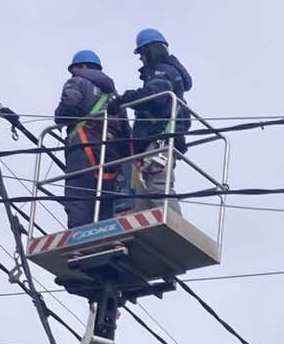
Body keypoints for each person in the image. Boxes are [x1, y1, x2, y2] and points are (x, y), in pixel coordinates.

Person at [108, 28, 192, 213]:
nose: (141, 59)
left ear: (150, 51)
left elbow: (154, 96)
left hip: (159, 140)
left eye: (142, 54)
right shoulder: (165, 72)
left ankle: (173, 223)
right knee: (143, 196)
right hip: (153, 142)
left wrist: (124, 99)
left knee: (157, 188)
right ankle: (153, 226)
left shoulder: (162, 71)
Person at [54, 49, 130, 228]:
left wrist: (60, 117)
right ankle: (104, 232)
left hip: (83, 145)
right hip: (112, 151)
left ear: (81, 66)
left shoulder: (77, 82)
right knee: (106, 193)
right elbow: (126, 130)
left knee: (79, 191)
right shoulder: (114, 95)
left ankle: (78, 236)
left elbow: (69, 105)